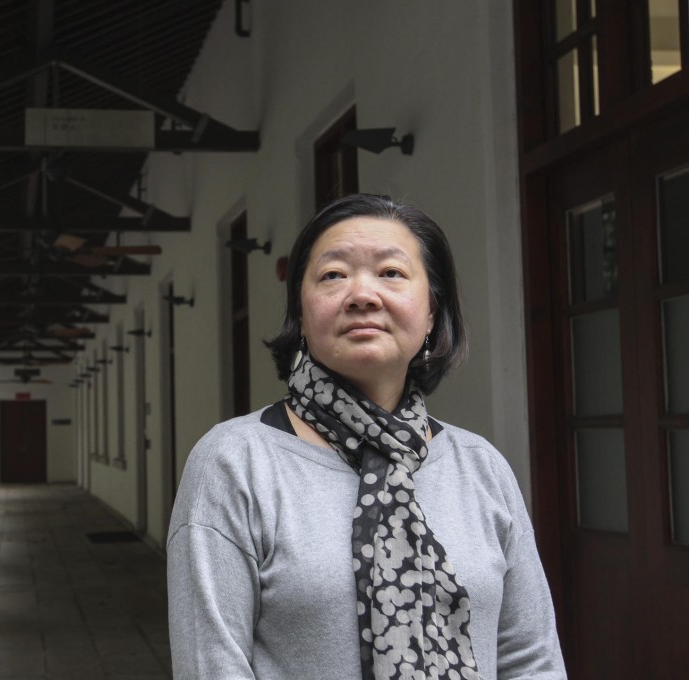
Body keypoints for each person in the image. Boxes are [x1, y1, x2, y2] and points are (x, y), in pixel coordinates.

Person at [167, 194, 566, 679]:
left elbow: (531, 658)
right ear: (301, 310)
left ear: (433, 313)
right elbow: (213, 665)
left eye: (392, 273)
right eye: (333, 275)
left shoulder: (479, 467)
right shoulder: (234, 463)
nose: (362, 294)